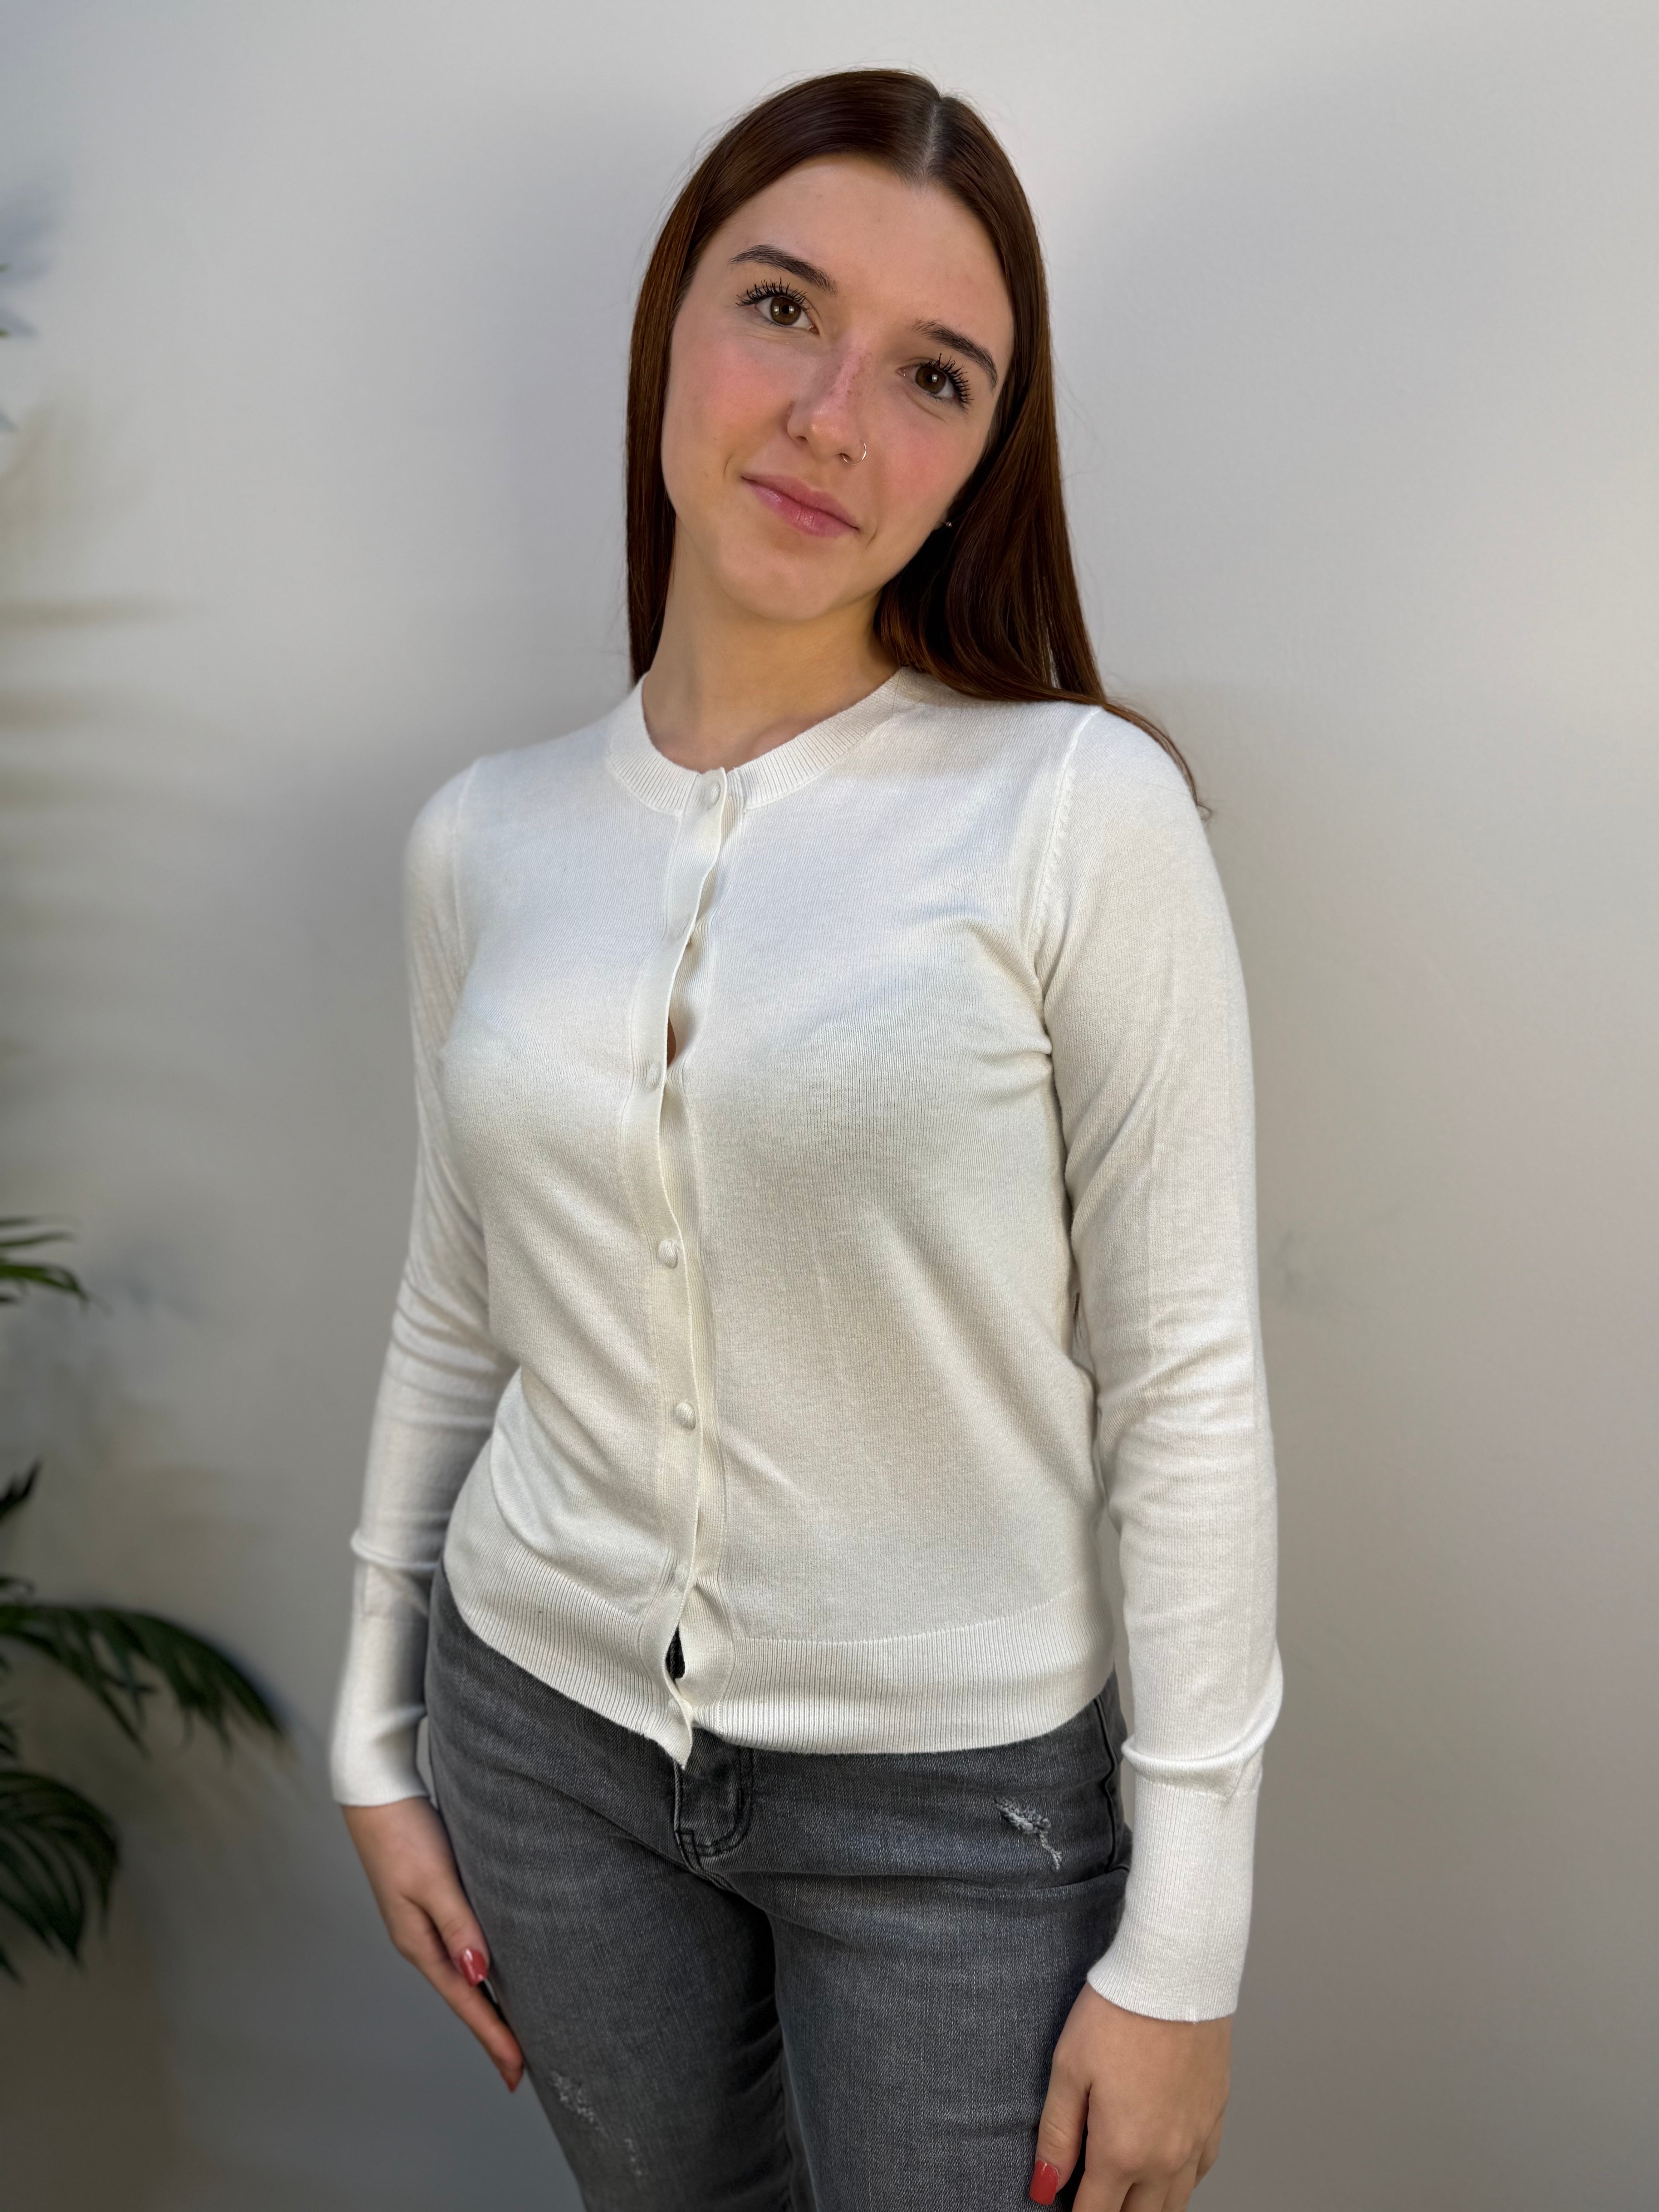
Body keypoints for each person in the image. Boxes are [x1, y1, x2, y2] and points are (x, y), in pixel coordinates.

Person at [328, 65, 1282, 2212]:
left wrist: (1187, 1946)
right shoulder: (483, 840)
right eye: (782, 309)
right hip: (540, 1735)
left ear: (983, 458)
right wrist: (373, 1734)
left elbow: (1188, 1382)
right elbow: (457, 1306)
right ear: (672, 321)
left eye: (934, 376)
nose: (836, 417)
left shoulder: (1076, 812)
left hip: (960, 1815)